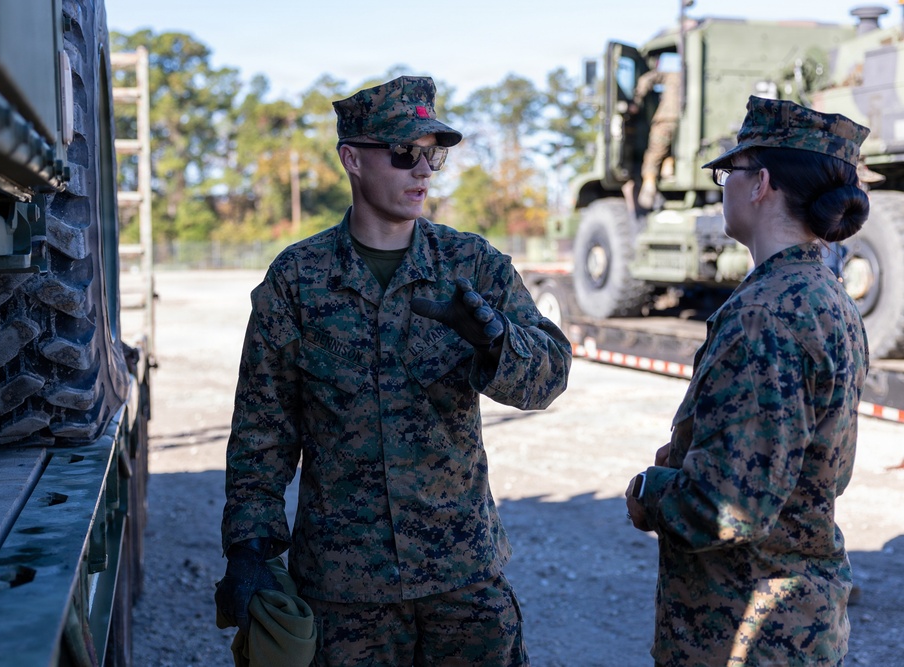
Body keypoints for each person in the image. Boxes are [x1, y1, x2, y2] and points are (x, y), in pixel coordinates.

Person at [215, 75, 573, 666]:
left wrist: (496, 341)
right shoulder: (298, 280)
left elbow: (550, 374)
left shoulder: (470, 263)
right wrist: (249, 548)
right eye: (405, 152)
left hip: (462, 580)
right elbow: (262, 431)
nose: (423, 170)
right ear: (352, 159)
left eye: (433, 154)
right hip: (345, 592)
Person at [624, 95, 871, 666]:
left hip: (743, 629)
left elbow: (727, 507)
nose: (722, 186)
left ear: (760, 183)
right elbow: (824, 471)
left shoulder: (765, 314)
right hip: (800, 620)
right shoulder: (827, 297)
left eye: (727, 172)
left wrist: (649, 491)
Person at [630, 55, 681, 209]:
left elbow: (646, 79)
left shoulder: (672, 75)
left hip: (666, 119)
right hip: (683, 122)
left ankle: (649, 183)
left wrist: (637, 100)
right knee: (672, 149)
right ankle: (664, 172)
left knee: (656, 151)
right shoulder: (691, 77)